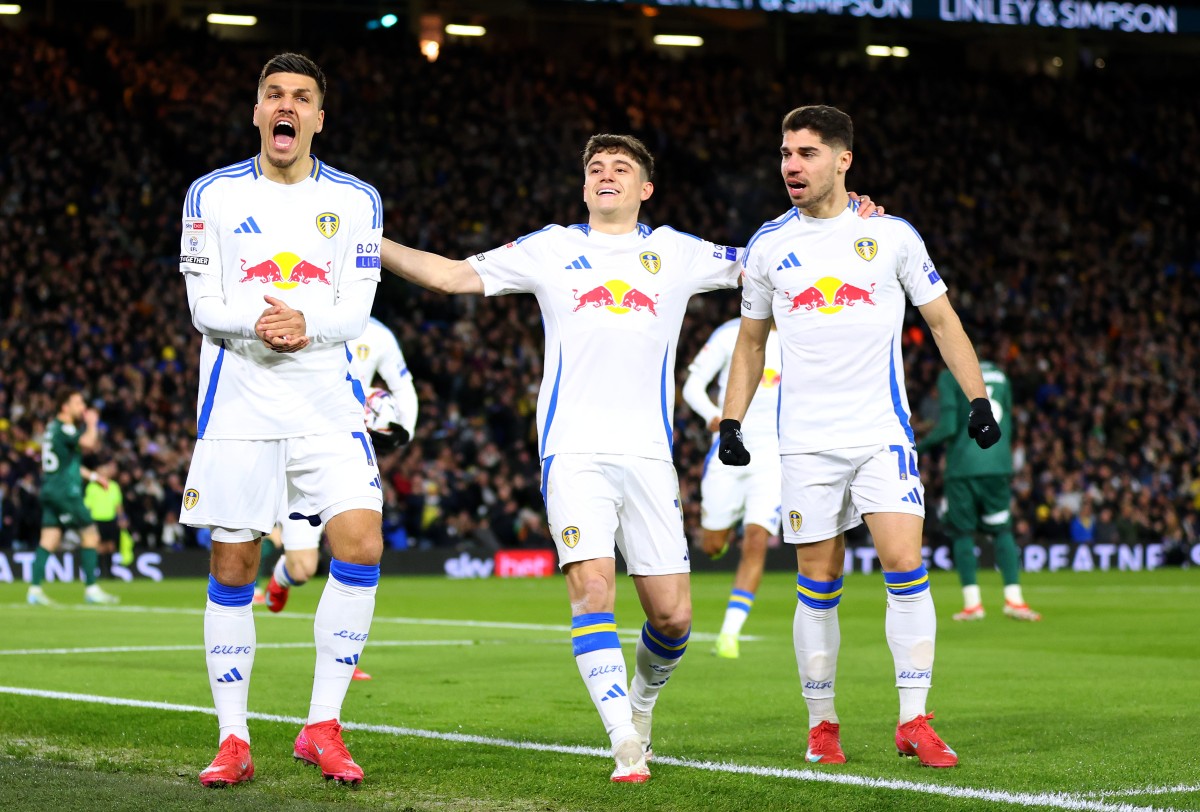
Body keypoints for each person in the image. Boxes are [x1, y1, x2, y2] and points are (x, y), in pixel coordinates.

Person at [380, 133, 880, 783]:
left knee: (672, 618)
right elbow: (449, 276)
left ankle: (641, 705)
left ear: (645, 189)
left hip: (649, 456)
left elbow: (769, 260)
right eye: (595, 167)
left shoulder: (675, 251)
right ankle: (623, 740)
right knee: (592, 589)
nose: (605, 174)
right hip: (573, 450)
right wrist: (369, 241)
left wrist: (841, 220)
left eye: (621, 168)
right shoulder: (550, 249)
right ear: (584, 186)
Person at [720, 105, 1001, 769]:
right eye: (786, 152)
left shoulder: (894, 236)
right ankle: (823, 725)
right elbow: (751, 342)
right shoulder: (767, 246)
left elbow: (942, 320)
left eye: (807, 153)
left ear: (843, 159)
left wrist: (978, 398)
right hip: (807, 443)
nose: (791, 165)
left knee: (906, 565)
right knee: (818, 580)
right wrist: (732, 419)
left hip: (882, 433)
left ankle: (914, 719)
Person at [178, 52, 384, 788]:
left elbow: (356, 307)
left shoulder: (358, 200)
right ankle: (233, 739)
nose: (285, 106)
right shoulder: (211, 195)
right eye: (273, 95)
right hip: (239, 400)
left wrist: (308, 324)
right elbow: (204, 307)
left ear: (318, 118)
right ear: (258, 112)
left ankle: (322, 725)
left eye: (300, 97)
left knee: (360, 546)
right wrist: (269, 324)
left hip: (326, 402)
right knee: (233, 565)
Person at [255, 315, 418, 625]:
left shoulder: (378, 334)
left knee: (357, 554)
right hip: (299, 449)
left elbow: (403, 386)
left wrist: (403, 431)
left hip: (346, 452)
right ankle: (283, 576)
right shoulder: (298, 319)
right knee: (303, 569)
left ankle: (343, 659)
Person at [681, 319, 782, 659]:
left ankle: (729, 634)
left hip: (773, 457)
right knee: (712, 546)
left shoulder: (801, 331)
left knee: (756, 540)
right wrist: (713, 415)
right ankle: (723, 532)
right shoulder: (728, 334)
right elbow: (692, 385)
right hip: (727, 451)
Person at [917, 359, 1041, 622]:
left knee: (962, 531)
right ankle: (1014, 600)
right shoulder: (1000, 374)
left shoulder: (949, 375)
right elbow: (1007, 419)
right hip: (997, 463)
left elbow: (949, 426)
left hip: (964, 466)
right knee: (1002, 529)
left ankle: (973, 604)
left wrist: (918, 447)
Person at [26, 386, 120, 606]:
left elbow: (68, 464)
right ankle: (91, 589)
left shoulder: (52, 429)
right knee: (91, 534)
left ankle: (34, 590)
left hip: (50, 489)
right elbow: (87, 443)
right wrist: (92, 423)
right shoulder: (66, 428)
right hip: (65, 492)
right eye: (78, 403)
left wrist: (95, 476)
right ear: (64, 406)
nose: (83, 407)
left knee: (49, 539)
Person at [83, 459, 125, 579]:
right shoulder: (92, 487)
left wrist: (122, 518)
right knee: (99, 546)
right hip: (97, 520)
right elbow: (87, 505)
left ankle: (110, 571)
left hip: (110, 519)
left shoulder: (114, 486)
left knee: (111, 545)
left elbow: (118, 504)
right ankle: (101, 571)